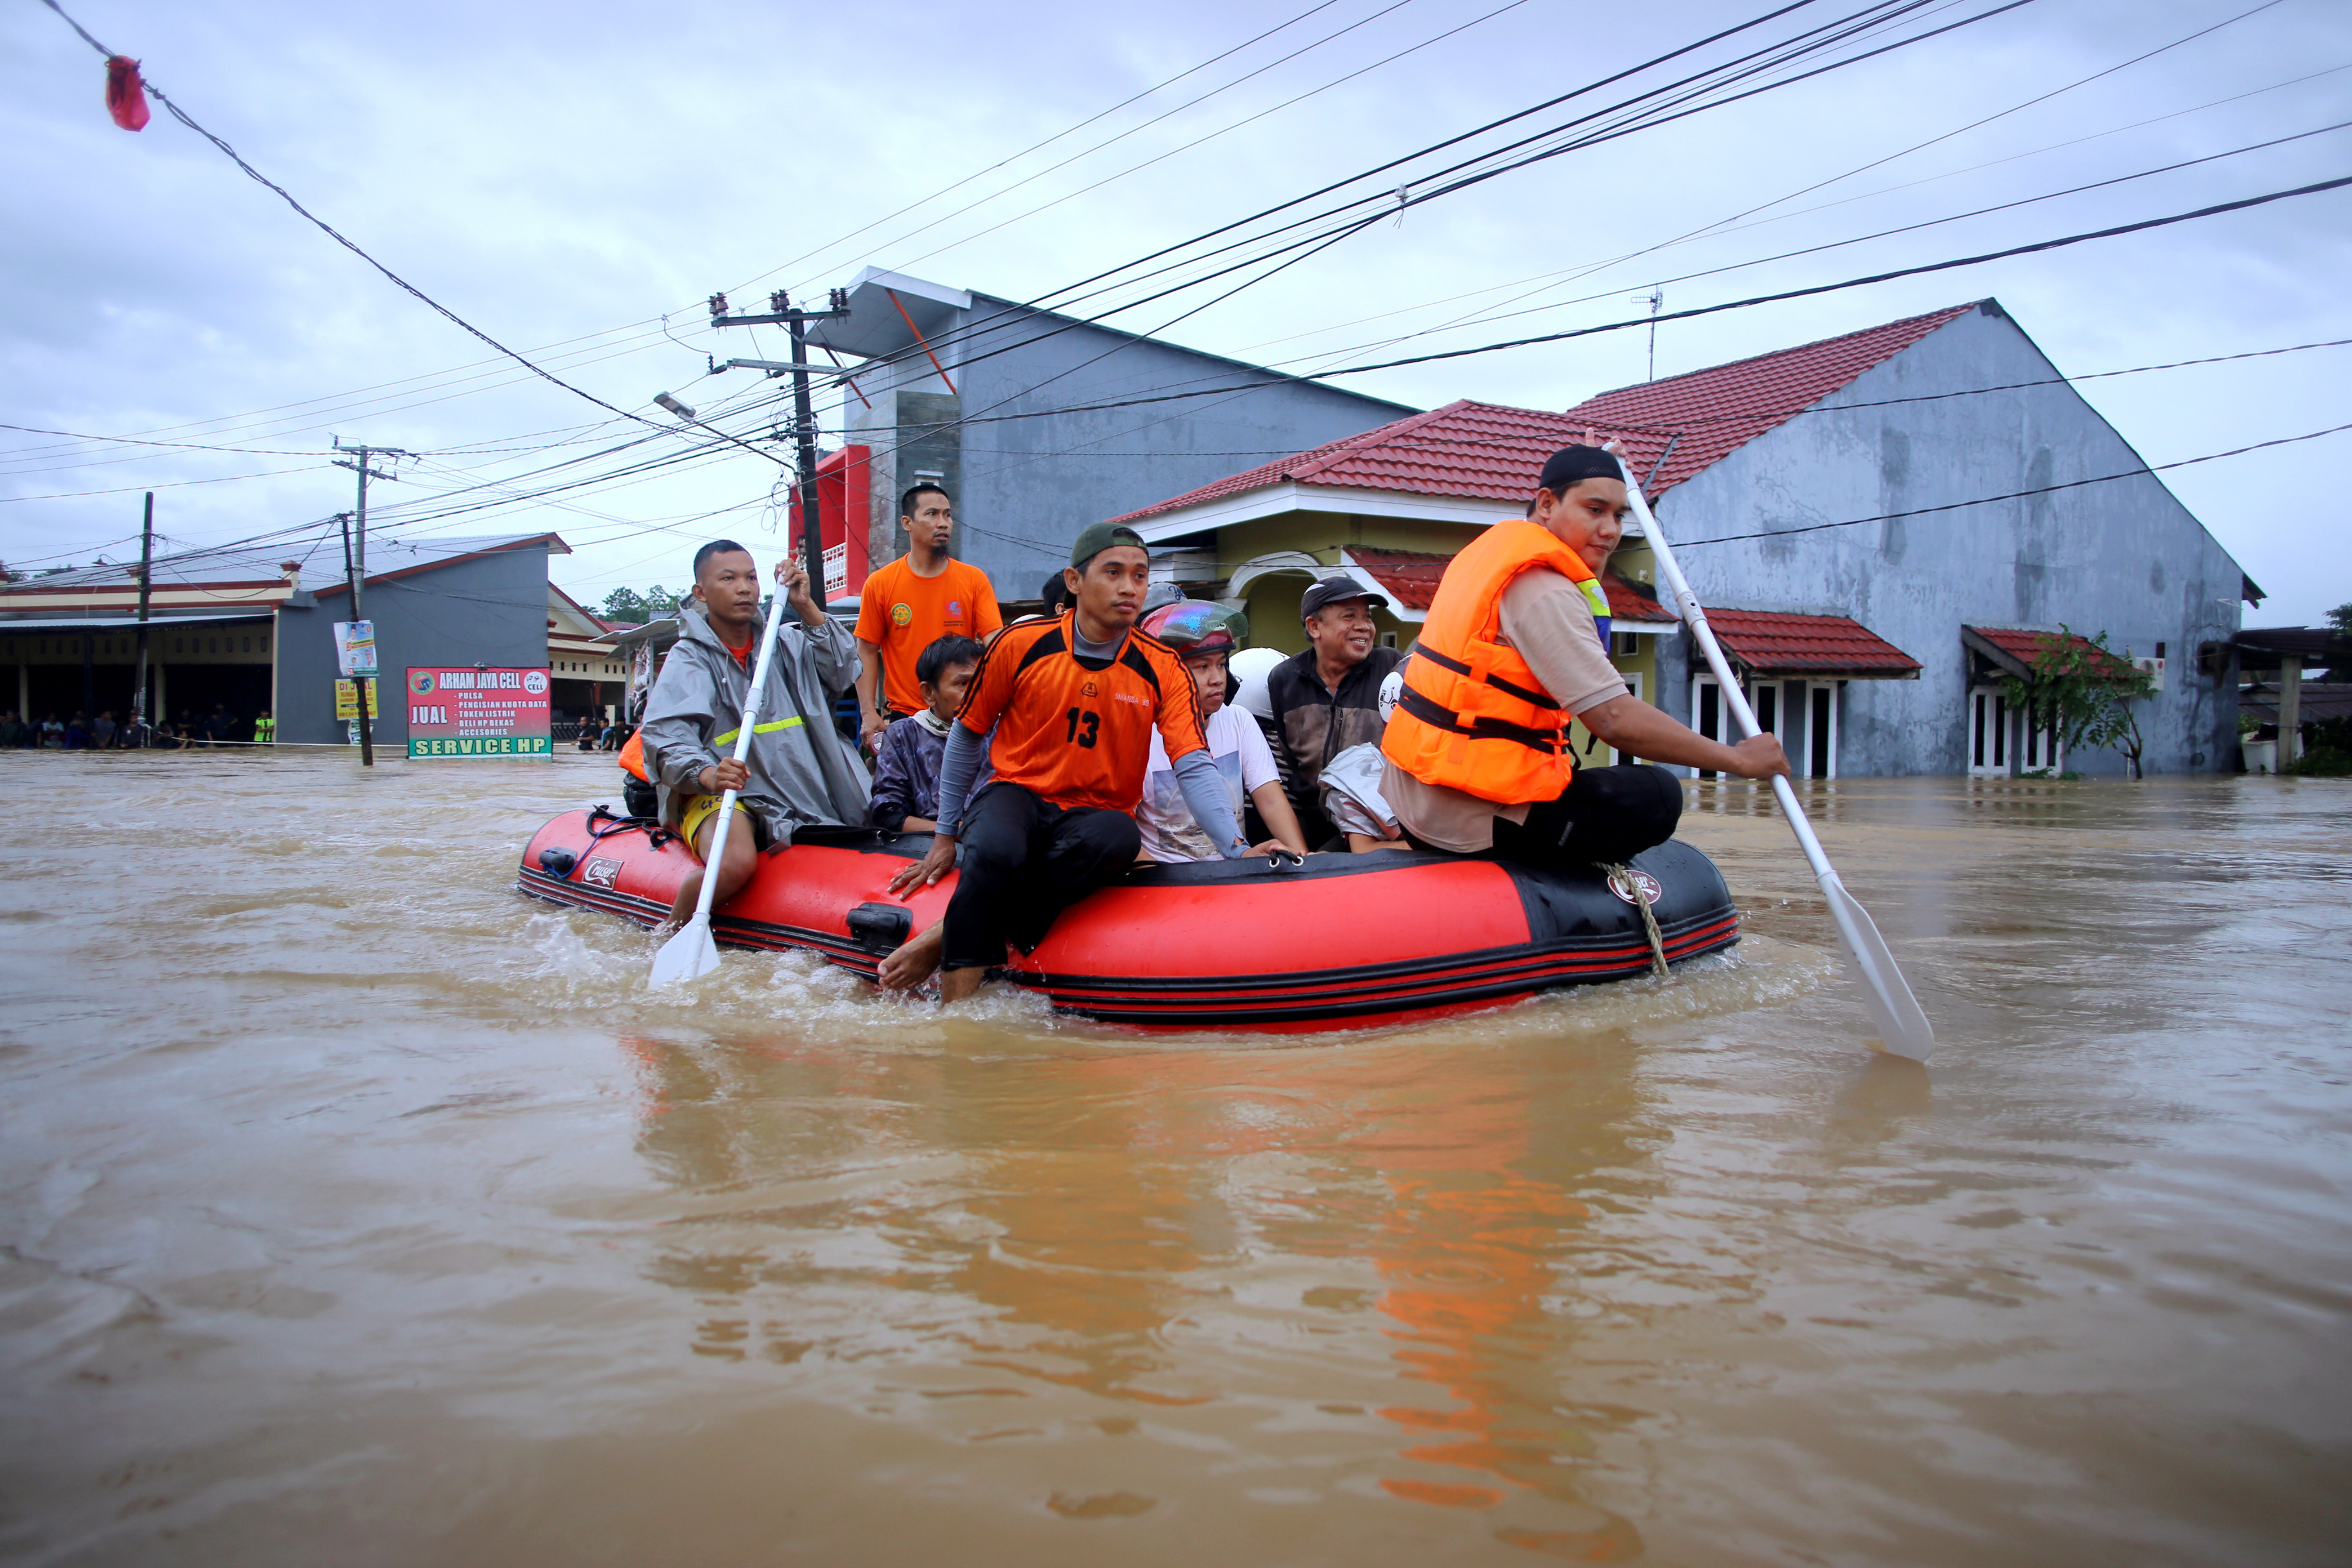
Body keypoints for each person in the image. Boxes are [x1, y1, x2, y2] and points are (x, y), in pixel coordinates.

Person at [876, 523, 1248, 1002]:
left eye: (1139, 576)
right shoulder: (1020, 644)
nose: (1128, 587)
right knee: (992, 849)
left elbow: (1193, 765)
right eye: (1113, 572)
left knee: (1119, 836)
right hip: (1017, 793)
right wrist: (945, 837)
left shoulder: (1163, 666)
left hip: (1096, 813)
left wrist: (1237, 849)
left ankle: (941, 937)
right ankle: (956, 1020)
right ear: (1074, 581)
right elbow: (967, 736)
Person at [1381, 444, 1787, 870]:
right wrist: (1738, 760)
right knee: (1658, 795)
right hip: (1466, 820)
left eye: (1618, 514)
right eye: (1595, 510)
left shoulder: (1483, 560)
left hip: (1411, 800)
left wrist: (1593, 458)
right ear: (1546, 504)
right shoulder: (1545, 590)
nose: (1611, 529)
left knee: (1577, 779)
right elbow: (1613, 718)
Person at [638, 539, 872, 926]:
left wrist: (806, 607)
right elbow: (666, 736)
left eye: (751, 578)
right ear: (701, 592)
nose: (744, 587)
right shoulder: (689, 657)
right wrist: (707, 773)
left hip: (797, 785)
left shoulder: (786, 642)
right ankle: (669, 933)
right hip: (726, 788)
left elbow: (844, 671)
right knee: (733, 865)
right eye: (728, 578)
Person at [1132, 600, 1306, 862]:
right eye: (1202, 667)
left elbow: (1271, 800)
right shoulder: (1135, 738)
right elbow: (1122, 835)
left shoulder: (1239, 720)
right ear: (1164, 674)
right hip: (1163, 881)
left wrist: (1303, 859)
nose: (1217, 678)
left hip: (1231, 874)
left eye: (1221, 664)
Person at [1259, 576, 1408, 849]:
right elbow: (1290, 759)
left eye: (1367, 617)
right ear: (1314, 627)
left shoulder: (1393, 669)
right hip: (1310, 816)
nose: (1364, 626)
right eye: (1349, 617)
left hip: (1375, 820)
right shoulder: (1284, 679)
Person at [854, 483, 1003, 753]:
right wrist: (869, 713)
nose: (943, 523)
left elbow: (996, 644)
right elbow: (866, 650)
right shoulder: (881, 583)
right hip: (905, 719)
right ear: (907, 523)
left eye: (948, 515)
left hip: (963, 716)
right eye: (932, 514)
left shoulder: (974, 580)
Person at [868, 634, 987, 835]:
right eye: (963, 683)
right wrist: (955, 831)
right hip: (926, 850)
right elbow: (888, 814)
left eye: (982, 681)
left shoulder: (1002, 730)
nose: (976, 692)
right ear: (929, 693)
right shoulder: (903, 736)